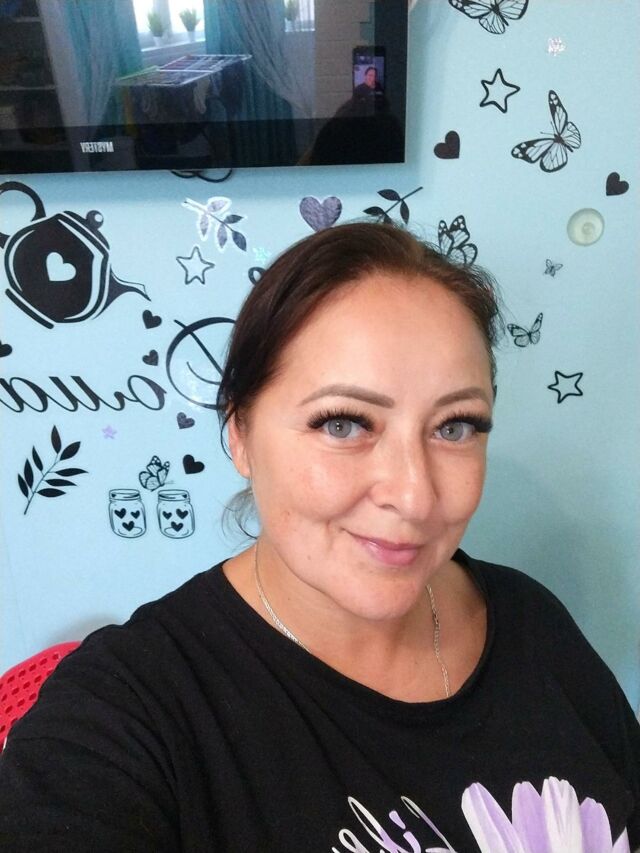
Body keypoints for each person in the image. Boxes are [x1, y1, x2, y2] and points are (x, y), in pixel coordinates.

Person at [0, 222, 639, 851]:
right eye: (343, 424)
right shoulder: (125, 711)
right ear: (240, 434)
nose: (414, 496)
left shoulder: (530, 620)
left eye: (455, 426)